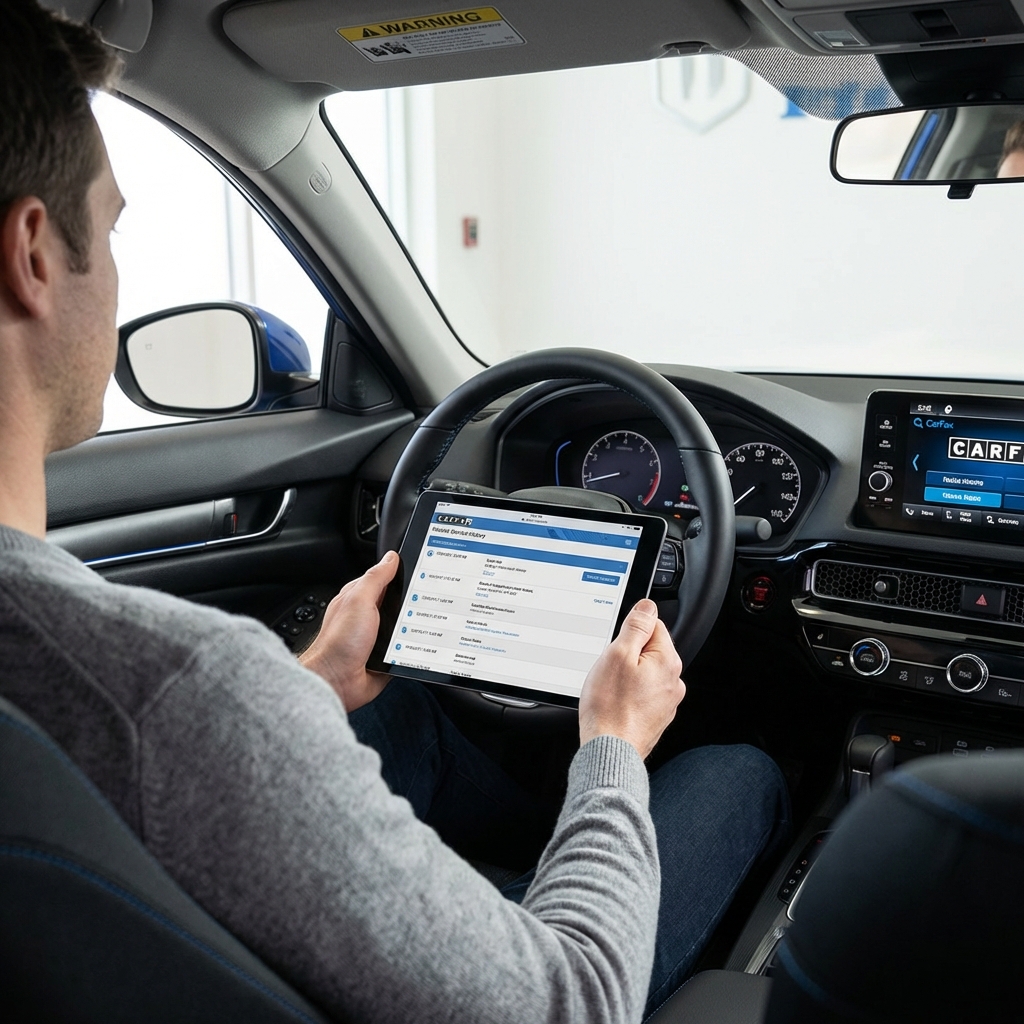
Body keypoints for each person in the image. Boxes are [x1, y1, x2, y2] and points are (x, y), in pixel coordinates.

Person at [0, 3, 789, 1022]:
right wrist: (610, 744)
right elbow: (569, 1000)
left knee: (403, 710)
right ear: (30, 252)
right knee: (737, 766)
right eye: (107, 232)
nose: (115, 272)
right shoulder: (181, 689)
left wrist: (311, 688)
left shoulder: (152, 693)